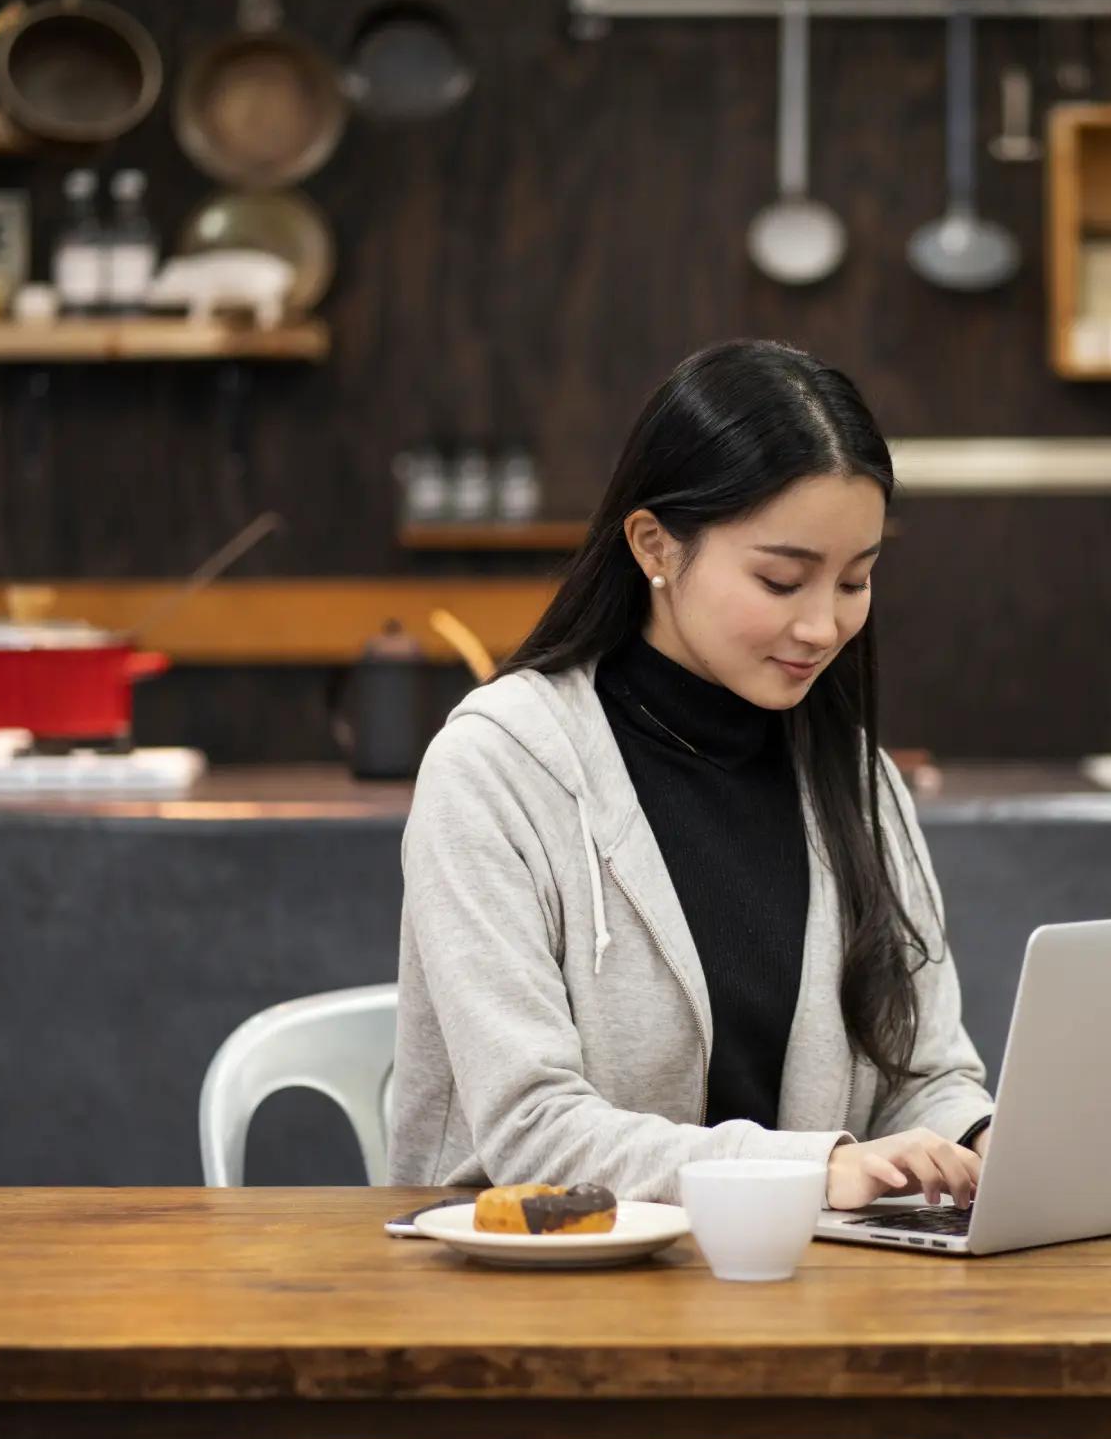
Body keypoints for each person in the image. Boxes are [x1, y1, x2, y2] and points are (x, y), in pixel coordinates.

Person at [388, 338, 995, 1212]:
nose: (824, 626)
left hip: (792, 1289)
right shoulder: (497, 769)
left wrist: (979, 1137)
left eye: (856, 580)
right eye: (782, 579)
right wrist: (810, 1170)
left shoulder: (853, 780)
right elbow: (531, 1130)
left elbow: (922, 1074)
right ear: (654, 546)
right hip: (536, 1295)